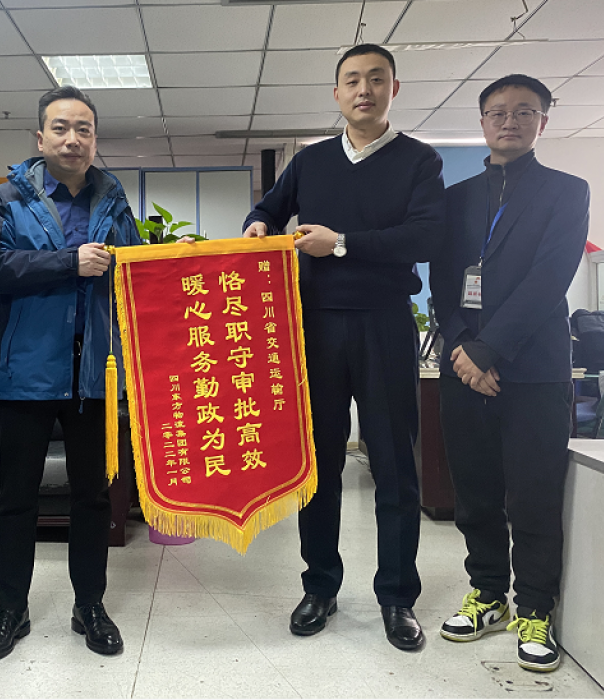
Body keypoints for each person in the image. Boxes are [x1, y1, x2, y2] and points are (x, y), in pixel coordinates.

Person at [243, 44, 445, 650]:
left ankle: (397, 597)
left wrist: (340, 243)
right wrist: (259, 222)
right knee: (319, 465)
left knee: (394, 467)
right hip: (314, 328)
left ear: (393, 89)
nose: (364, 89)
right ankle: (320, 586)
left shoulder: (419, 159)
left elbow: (426, 236)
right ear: (336, 93)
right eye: (352, 80)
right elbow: (269, 206)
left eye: (376, 79)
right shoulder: (311, 161)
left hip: (384, 323)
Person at [0, 85, 141, 662]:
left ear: (95, 138)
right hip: (25, 372)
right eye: (61, 128)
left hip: (95, 375)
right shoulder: (6, 199)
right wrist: (69, 262)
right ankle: (10, 610)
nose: (73, 139)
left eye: (84, 129)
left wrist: (176, 258)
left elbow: (134, 276)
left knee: (92, 497)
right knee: (16, 498)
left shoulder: (113, 200)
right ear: (40, 137)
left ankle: (89, 605)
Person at [431, 74, 589, 673]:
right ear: (482, 122)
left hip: (532, 370)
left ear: (543, 122)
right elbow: (443, 280)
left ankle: (535, 609)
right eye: (498, 112)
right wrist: (463, 348)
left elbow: (550, 277)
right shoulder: (456, 198)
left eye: (525, 112)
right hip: (463, 367)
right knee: (474, 493)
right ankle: (488, 593)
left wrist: (489, 350)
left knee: (533, 494)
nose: (510, 121)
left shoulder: (566, 191)